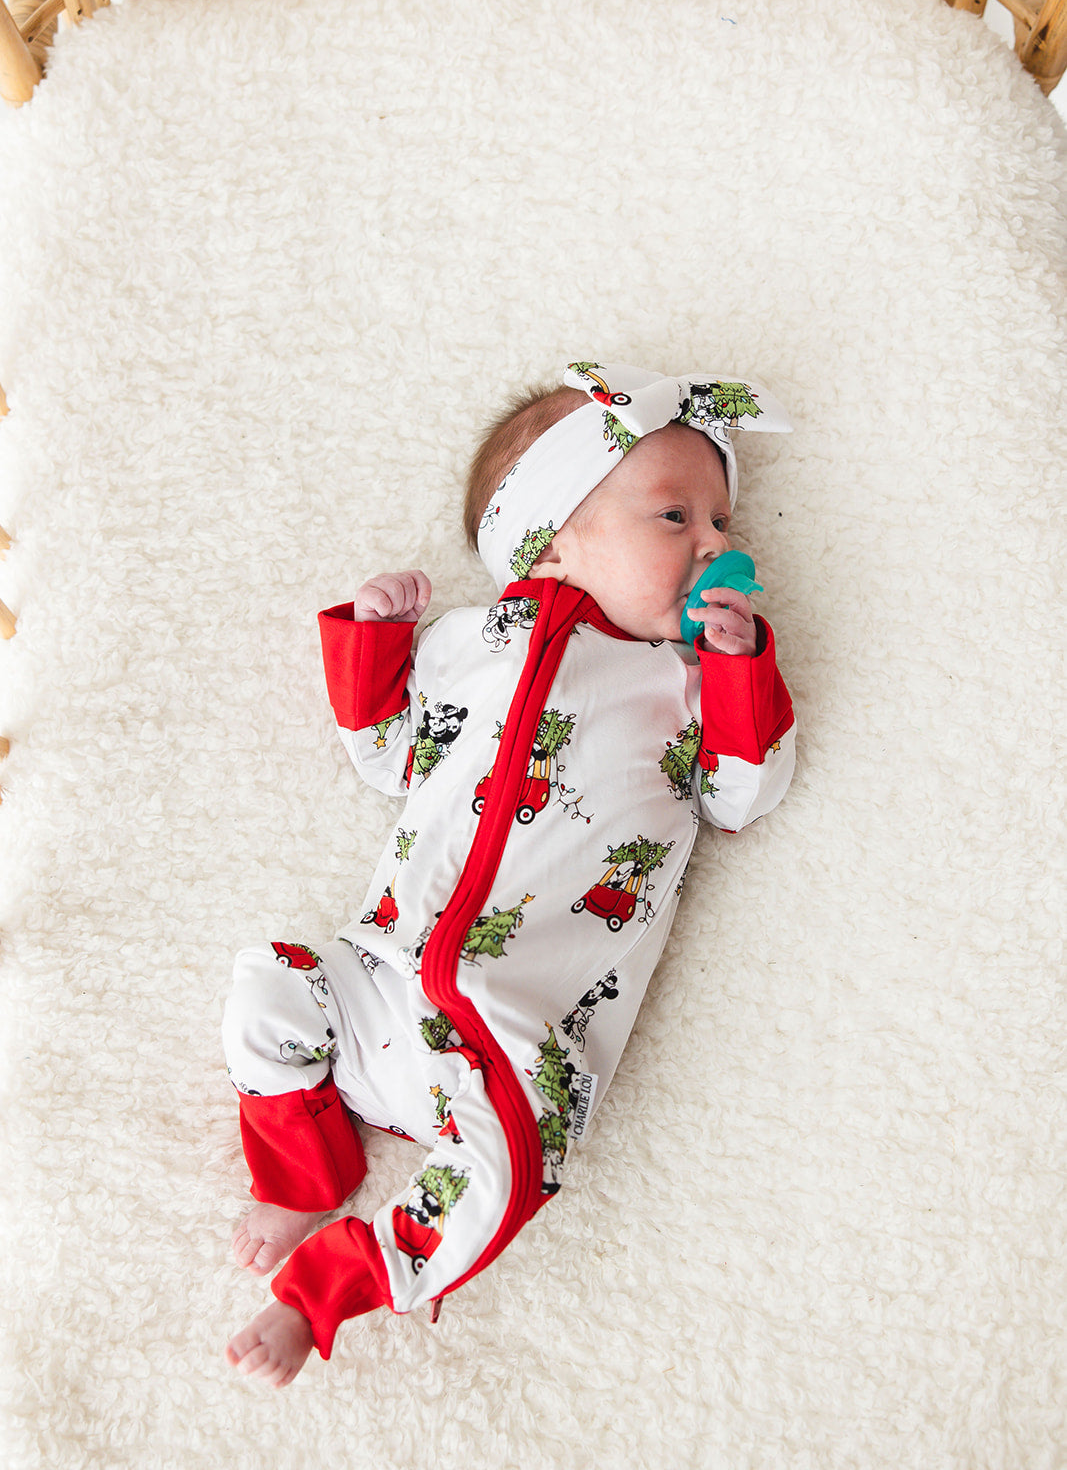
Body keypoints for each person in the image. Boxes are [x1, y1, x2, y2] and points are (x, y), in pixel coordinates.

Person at [223, 361, 797, 1385]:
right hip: (385, 978)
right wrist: (375, 636)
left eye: (719, 519)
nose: (718, 543)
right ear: (554, 534)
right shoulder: (469, 643)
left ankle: (331, 1291)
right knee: (266, 984)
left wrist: (742, 669)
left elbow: (740, 793)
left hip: (525, 1025)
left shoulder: (686, 683)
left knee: (505, 1175)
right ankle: (305, 1169)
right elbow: (392, 750)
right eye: (677, 515)